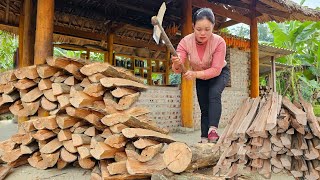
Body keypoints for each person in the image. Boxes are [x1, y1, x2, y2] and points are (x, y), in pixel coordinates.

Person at [171, 8, 230, 143]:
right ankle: (204, 137)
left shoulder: (219, 42)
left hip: (219, 73)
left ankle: (213, 130)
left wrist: (195, 74)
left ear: (213, 27)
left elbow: (216, 69)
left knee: (214, 94)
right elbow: (176, 69)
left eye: (207, 29)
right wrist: (176, 62)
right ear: (193, 27)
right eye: (198, 29)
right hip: (200, 75)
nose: (203, 33)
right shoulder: (185, 42)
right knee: (204, 105)